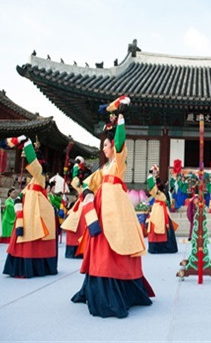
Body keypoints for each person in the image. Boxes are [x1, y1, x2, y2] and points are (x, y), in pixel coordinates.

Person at [72, 96, 153, 318]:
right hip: (101, 205)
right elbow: (87, 183)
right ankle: (97, 283)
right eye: (104, 146)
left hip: (116, 206)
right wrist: (86, 190)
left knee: (115, 239)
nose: (105, 148)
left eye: (106, 145)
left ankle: (117, 286)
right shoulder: (103, 169)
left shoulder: (118, 162)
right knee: (101, 242)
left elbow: (120, 142)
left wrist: (120, 119)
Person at [1, 136, 58, 278]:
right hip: (29, 211)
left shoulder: (40, 176)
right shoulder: (34, 180)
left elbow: (32, 160)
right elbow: (24, 193)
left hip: (36, 211)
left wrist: (26, 142)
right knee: (26, 235)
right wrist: (19, 198)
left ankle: (31, 266)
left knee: (31, 236)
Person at [147, 165, 178, 254]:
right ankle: (159, 247)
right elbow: (151, 184)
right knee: (158, 226)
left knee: (165, 227)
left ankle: (167, 247)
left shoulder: (162, 192)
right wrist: (151, 173)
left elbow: (158, 183)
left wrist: (156, 175)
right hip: (158, 210)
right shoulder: (156, 192)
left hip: (163, 209)